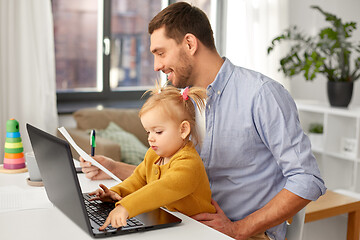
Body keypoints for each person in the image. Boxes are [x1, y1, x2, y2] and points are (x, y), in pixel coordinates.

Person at [81, 2, 326, 239]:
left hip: (243, 234)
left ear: (189, 43)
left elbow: (307, 179)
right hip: (185, 225)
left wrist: (238, 229)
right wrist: (112, 168)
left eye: (161, 53)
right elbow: (173, 179)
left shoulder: (261, 94)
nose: (157, 66)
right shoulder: (179, 101)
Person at [88, 83, 216, 230]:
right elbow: (138, 180)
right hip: (171, 222)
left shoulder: (189, 164)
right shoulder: (153, 154)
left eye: (158, 132)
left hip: (199, 229)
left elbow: (162, 188)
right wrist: (116, 192)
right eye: (148, 132)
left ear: (183, 130)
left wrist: (126, 207)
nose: (151, 138)